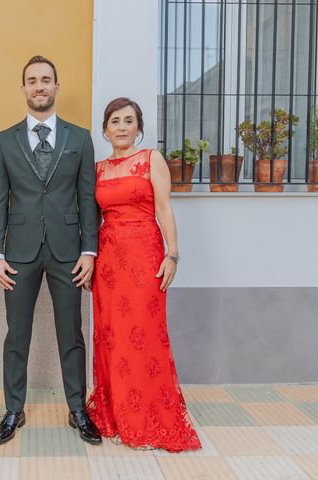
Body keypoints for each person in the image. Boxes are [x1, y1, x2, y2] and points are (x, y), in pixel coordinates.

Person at [0, 56, 101, 446]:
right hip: (17, 252)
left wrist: (89, 251)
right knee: (16, 335)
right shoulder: (4, 141)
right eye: (32, 80)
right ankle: (14, 410)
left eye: (46, 79)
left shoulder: (80, 137)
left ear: (57, 86)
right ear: (23, 89)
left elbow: (88, 197)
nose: (39, 86)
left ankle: (77, 409)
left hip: (69, 252)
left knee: (71, 332)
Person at [86, 97, 201, 452]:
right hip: (108, 263)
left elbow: (164, 208)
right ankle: (117, 414)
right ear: (105, 130)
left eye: (128, 121)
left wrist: (174, 255)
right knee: (112, 336)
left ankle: (147, 417)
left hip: (144, 256)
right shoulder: (97, 168)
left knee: (145, 335)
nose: (122, 127)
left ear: (139, 127)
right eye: (115, 121)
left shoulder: (151, 160)